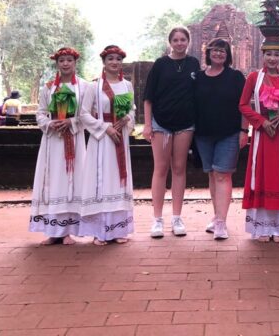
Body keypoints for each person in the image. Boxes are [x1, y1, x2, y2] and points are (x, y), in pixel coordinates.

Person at [239, 0, 279, 242]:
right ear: (262, 56)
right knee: (262, 176)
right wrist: (262, 121)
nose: (273, 59)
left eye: (276, 54)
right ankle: (263, 227)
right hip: (263, 136)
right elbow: (243, 104)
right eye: (269, 54)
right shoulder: (254, 78)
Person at [142, 27, 201, 238]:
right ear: (170, 42)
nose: (179, 43)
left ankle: (177, 217)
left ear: (188, 41)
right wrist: (147, 125)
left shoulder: (194, 64)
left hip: (185, 123)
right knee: (161, 168)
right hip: (161, 123)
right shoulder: (160, 65)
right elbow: (148, 97)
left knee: (179, 168)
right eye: (175, 40)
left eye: (183, 39)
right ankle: (157, 219)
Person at [30, 47, 89, 245]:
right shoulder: (48, 87)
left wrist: (71, 122)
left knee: (72, 180)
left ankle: (68, 231)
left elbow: (88, 114)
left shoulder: (84, 87)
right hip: (53, 141)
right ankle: (53, 230)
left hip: (74, 138)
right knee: (52, 181)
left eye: (69, 60)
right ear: (57, 63)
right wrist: (49, 123)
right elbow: (40, 112)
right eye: (62, 60)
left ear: (75, 63)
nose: (65, 64)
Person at [78, 45, 136, 245]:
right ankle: (99, 231)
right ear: (104, 62)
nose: (114, 62)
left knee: (119, 181)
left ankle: (118, 229)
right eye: (110, 58)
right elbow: (84, 113)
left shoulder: (127, 85)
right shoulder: (94, 87)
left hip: (120, 140)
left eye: (118, 59)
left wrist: (127, 118)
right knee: (101, 180)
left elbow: (132, 109)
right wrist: (106, 128)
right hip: (102, 140)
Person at [193, 38, 247, 240]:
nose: (218, 54)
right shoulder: (198, 77)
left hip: (229, 132)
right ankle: (216, 217)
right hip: (203, 133)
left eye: (222, 51)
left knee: (223, 175)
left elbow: (244, 105)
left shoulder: (235, 77)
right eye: (215, 50)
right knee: (213, 174)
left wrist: (244, 130)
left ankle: (222, 222)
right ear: (208, 53)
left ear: (228, 55)